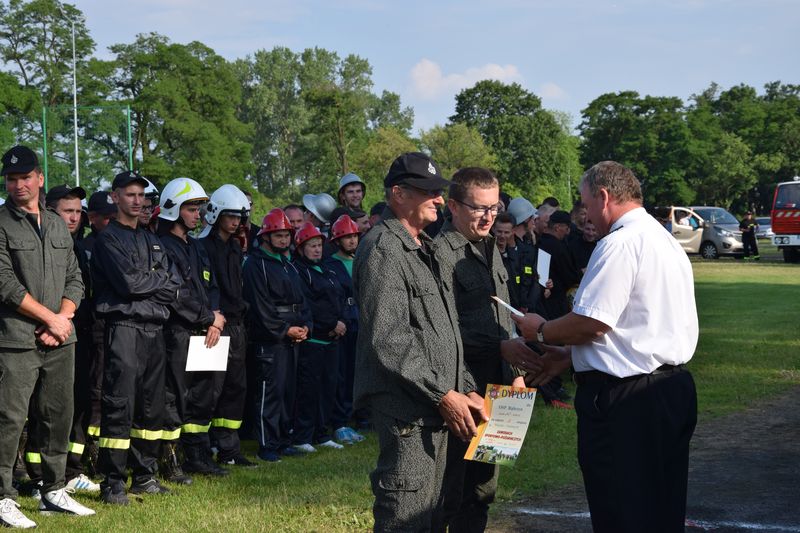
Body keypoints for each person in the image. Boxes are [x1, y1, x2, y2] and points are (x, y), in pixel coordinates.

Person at [513, 161, 699, 532]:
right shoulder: (663, 238)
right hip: (667, 390)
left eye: (585, 204)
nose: (586, 216)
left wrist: (542, 330)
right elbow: (636, 326)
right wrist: (571, 357)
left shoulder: (619, 242)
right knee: (659, 510)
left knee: (623, 512)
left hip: (628, 403)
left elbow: (593, 322)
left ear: (603, 196)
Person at [353, 152, 485, 531]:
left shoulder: (422, 246)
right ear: (398, 193)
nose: (440, 200)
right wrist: (444, 393)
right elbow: (390, 338)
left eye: (439, 191)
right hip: (410, 413)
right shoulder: (384, 248)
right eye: (428, 191)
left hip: (436, 408)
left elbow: (443, 331)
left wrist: (467, 388)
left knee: (434, 515)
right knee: (406, 518)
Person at [433, 167, 534, 532]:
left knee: (483, 490)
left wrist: (517, 375)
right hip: (463, 387)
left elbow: (502, 315)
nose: (489, 217)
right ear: (454, 207)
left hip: (500, 387)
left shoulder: (492, 245)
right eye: (479, 208)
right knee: (450, 492)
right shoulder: (438, 253)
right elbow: (442, 328)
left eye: (495, 207)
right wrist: (501, 347)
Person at [0, 146, 94, 528]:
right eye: (11, 179)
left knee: (58, 415)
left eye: (26, 177)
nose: (19, 185)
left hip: (60, 339)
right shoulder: (1, 223)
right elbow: (4, 283)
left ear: (40, 179)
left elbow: (75, 277)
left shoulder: (57, 224)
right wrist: (49, 319)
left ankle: (53, 491)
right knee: (8, 418)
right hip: (16, 339)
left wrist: (63, 318)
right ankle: (3, 496)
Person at [92, 170, 181, 505]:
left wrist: (150, 281)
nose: (137, 200)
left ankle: (144, 475)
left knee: (151, 405)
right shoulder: (108, 239)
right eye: (129, 194)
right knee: (120, 404)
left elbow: (173, 285)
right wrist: (154, 280)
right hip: (124, 329)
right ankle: (112, 482)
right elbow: (127, 285)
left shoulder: (151, 238)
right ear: (115, 197)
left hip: (155, 330)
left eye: (140, 195)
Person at [156, 178, 227, 480]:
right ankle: (170, 461)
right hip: (178, 332)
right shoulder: (162, 247)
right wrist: (207, 318)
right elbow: (175, 294)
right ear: (173, 209)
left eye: (199, 207)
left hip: (207, 329)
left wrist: (215, 316)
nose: (198, 214)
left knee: (204, 394)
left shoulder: (196, 247)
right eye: (191, 208)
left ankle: (197, 455)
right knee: (173, 396)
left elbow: (210, 285)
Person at [43, 184, 101, 494]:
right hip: (51, 334)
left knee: (78, 404)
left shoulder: (79, 246)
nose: (75, 217)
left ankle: (71, 470)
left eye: (79, 211)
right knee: (47, 408)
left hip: (82, 333)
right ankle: (42, 474)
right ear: (51, 210)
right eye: (68, 211)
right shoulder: (48, 245)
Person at [242, 209, 312, 462]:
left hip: (294, 335)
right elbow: (260, 305)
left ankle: (282, 439)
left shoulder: (289, 264)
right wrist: (283, 330)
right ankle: (266, 443)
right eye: (278, 235)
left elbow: (303, 300)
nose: (284, 240)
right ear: (266, 237)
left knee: (287, 392)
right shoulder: (255, 264)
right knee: (269, 391)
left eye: (286, 235)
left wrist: (306, 326)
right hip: (270, 339)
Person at [200, 185, 256, 467]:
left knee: (236, 387)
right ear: (217, 214)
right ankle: (203, 448)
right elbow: (207, 287)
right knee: (210, 388)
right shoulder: (203, 246)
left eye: (240, 217)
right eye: (231, 216)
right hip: (215, 326)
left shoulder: (235, 247)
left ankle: (229, 449)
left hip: (236, 325)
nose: (236, 222)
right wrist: (214, 317)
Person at [291, 222, 347, 452]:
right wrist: (331, 323)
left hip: (333, 339)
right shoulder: (299, 271)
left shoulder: (328, 270)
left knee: (328, 388)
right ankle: (303, 436)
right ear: (301, 248)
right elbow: (310, 304)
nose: (316, 249)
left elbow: (340, 297)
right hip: (313, 340)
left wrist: (341, 322)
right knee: (308, 390)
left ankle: (321, 434)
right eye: (311, 246)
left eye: (319, 245)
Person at [324, 215, 368, 444]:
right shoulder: (330, 264)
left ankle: (360, 417)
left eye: (353, 236)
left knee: (357, 373)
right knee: (340, 375)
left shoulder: (362, 258)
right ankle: (339, 422)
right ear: (336, 240)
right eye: (346, 237)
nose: (352, 241)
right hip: (343, 325)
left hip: (361, 323)